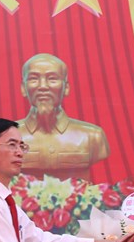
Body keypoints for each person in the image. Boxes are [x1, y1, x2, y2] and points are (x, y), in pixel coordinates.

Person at [17, 54, 110, 182]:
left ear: (66, 88)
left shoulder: (92, 136)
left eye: (52, 79)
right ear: (23, 88)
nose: (43, 86)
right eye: (34, 79)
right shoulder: (7, 137)